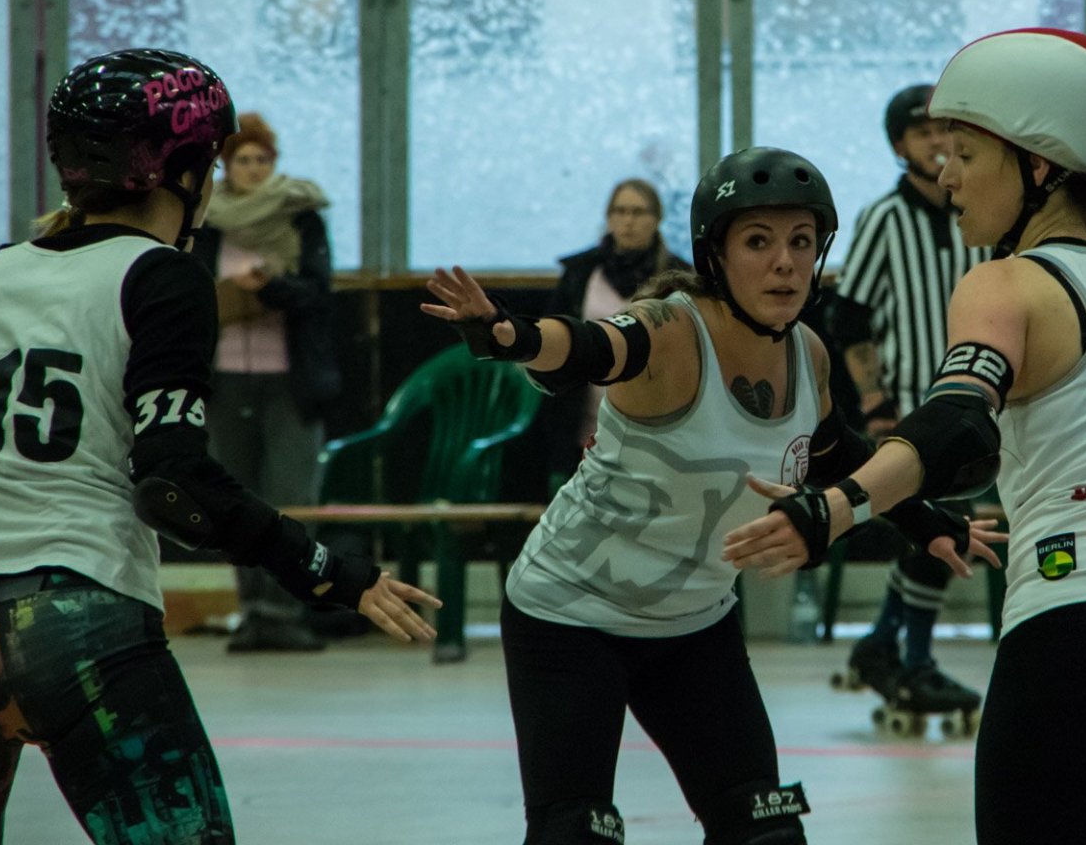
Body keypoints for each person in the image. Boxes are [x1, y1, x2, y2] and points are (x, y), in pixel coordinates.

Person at [724, 28, 1086, 844]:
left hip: (1078, 623)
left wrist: (833, 507)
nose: (944, 173)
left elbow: (956, 422)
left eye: (963, 152)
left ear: (1039, 164)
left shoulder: (1003, 281)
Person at [0, 48, 438, 845]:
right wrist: (329, 572)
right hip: (71, 607)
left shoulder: (2, 269)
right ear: (185, 172)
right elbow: (173, 486)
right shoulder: (162, 275)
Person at [421, 146, 1002, 845]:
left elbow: (835, 452)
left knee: (766, 834)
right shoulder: (670, 329)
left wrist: (922, 518)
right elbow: (586, 347)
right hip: (570, 618)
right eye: (758, 242)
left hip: (694, 626)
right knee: (575, 834)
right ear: (715, 256)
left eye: (801, 242)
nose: (784, 262)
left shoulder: (809, 354)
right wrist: (506, 334)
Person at [826, 82, 992, 719]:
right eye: (922, 132)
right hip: (917, 407)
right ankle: (915, 663)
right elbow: (849, 319)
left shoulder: (980, 211)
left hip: (981, 402)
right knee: (940, 531)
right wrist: (874, 405)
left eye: (945, 132)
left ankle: (877, 647)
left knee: (936, 533)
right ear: (900, 145)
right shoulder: (884, 219)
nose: (936, 143)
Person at [191, 112, 341, 652]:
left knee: (291, 497)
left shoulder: (301, 216)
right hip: (225, 377)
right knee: (234, 498)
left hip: (289, 378)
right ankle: (251, 611)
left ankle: (285, 613)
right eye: (243, 160)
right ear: (226, 167)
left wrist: (272, 287)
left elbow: (320, 291)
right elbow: (190, 293)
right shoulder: (207, 221)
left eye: (263, 160)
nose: (254, 169)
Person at [539, 177, 690, 488]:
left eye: (638, 212)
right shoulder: (580, 272)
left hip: (657, 420)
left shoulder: (678, 276)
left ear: (657, 219)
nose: (628, 221)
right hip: (582, 417)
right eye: (619, 211)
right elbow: (551, 334)